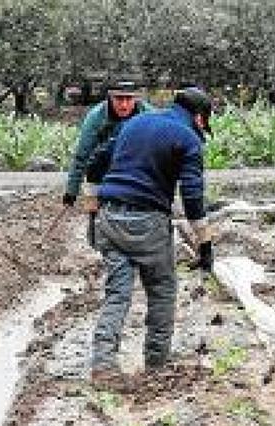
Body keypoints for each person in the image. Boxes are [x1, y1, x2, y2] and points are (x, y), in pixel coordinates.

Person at [88, 86, 215, 383]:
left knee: (117, 295)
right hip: (148, 224)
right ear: (199, 119)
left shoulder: (134, 122)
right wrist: (205, 244)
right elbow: (193, 196)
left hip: (110, 217)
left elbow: (95, 163)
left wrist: (92, 211)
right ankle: (156, 367)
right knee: (162, 291)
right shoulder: (188, 139)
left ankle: (103, 366)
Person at [62, 80, 146, 245]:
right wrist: (71, 191)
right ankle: (95, 233)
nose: (124, 105)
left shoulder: (148, 114)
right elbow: (82, 156)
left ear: (136, 99)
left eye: (129, 99)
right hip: (100, 166)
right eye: (119, 99)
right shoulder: (96, 117)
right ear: (110, 99)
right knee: (95, 178)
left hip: (135, 162)